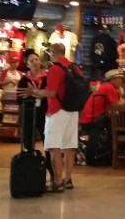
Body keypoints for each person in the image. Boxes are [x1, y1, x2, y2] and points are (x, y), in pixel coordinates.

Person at [17, 43, 81, 193]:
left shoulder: (55, 69)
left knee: (54, 147)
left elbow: (51, 93)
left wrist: (34, 91)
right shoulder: (74, 68)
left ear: (53, 52)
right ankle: (68, 179)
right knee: (69, 147)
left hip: (57, 111)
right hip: (73, 111)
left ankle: (57, 182)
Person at [16, 50, 54, 182]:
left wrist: (32, 92)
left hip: (45, 113)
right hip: (29, 113)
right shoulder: (24, 80)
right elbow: (20, 98)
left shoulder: (47, 77)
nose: (35, 62)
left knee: (48, 142)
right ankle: (30, 171)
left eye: (37, 59)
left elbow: (49, 95)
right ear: (27, 64)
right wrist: (39, 94)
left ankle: (52, 170)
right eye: (31, 61)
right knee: (28, 141)